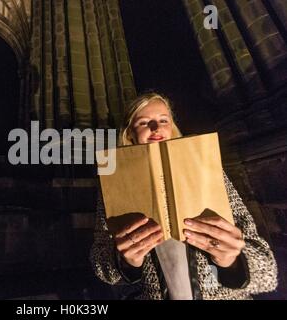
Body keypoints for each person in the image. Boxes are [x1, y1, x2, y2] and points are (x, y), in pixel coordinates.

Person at [90, 92, 278, 300]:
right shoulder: (114, 182)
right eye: (144, 122)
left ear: (172, 127)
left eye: (163, 120)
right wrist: (126, 261)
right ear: (130, 133)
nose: (156, 128)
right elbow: (102, 262)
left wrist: (233, 260)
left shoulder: (205, 169)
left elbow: (267, 269)